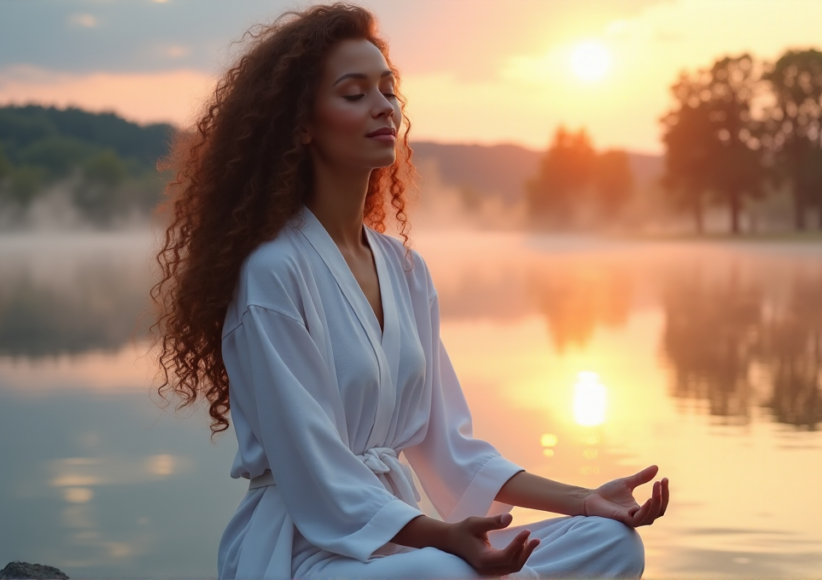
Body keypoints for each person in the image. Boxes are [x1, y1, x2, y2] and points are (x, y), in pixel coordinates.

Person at [151, 3, 670, 579]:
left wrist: (583, 499)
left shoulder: (405, 270)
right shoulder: (272, 273)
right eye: (354, 94)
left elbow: (453, 452)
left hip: (404, 541)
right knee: (442, 574)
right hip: (303, 551)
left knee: (611, 543)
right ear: (300, 124)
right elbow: (317, 474)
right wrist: (445, 540)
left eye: (388, 89)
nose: (384, 107)